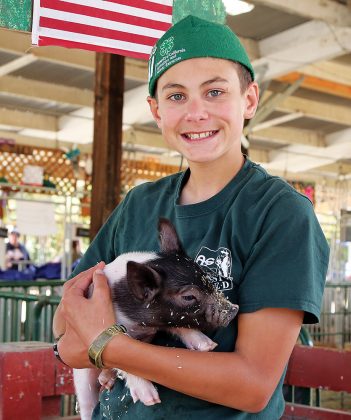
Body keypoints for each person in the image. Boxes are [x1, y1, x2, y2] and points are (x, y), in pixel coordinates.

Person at [53, 15, 330, 419]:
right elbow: (66, 323)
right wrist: (86, 344)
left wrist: (110, 347)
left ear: (249, 100)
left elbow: (252, 385)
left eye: (215, 91)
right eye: (177, 96)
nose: (196, 112)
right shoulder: (138, 204)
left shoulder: (279, 213)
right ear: (156, 110)